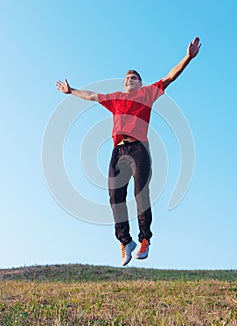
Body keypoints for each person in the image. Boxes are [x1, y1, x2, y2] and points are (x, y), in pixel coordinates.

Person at [56, 37, 201, 266]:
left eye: (133, 77)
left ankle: (145, 240)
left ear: (140, 82)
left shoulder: (148, 93)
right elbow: (92, 96)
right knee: (115, 197)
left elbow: (170, 76)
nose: (129, 80)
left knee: (140, 193)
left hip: (139, 149)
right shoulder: (115, 99)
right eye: (126, 78)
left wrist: (188, 58)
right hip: (118, 151)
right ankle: (126, 241)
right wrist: (70, 90)